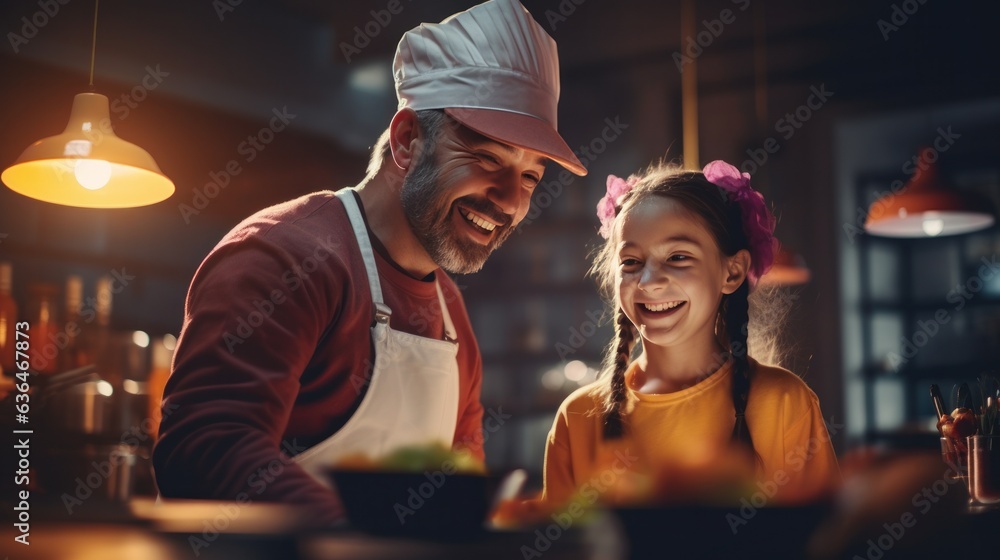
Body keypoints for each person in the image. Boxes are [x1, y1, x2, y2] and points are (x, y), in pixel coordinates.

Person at [153, 0, 586, 525]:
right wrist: (380, 534)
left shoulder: (451, 320)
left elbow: (458, 489)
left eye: (531, 177)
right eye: (487, 159)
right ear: (407, 141)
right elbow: (205, 453)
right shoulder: (285, 258)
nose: (510, 199)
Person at [540, 160, 839, 509]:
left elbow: (828, 541)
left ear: (733, 271)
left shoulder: (785, 402)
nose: (649, 282)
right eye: (631, 262)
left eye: (678, 257)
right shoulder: (577, 418)